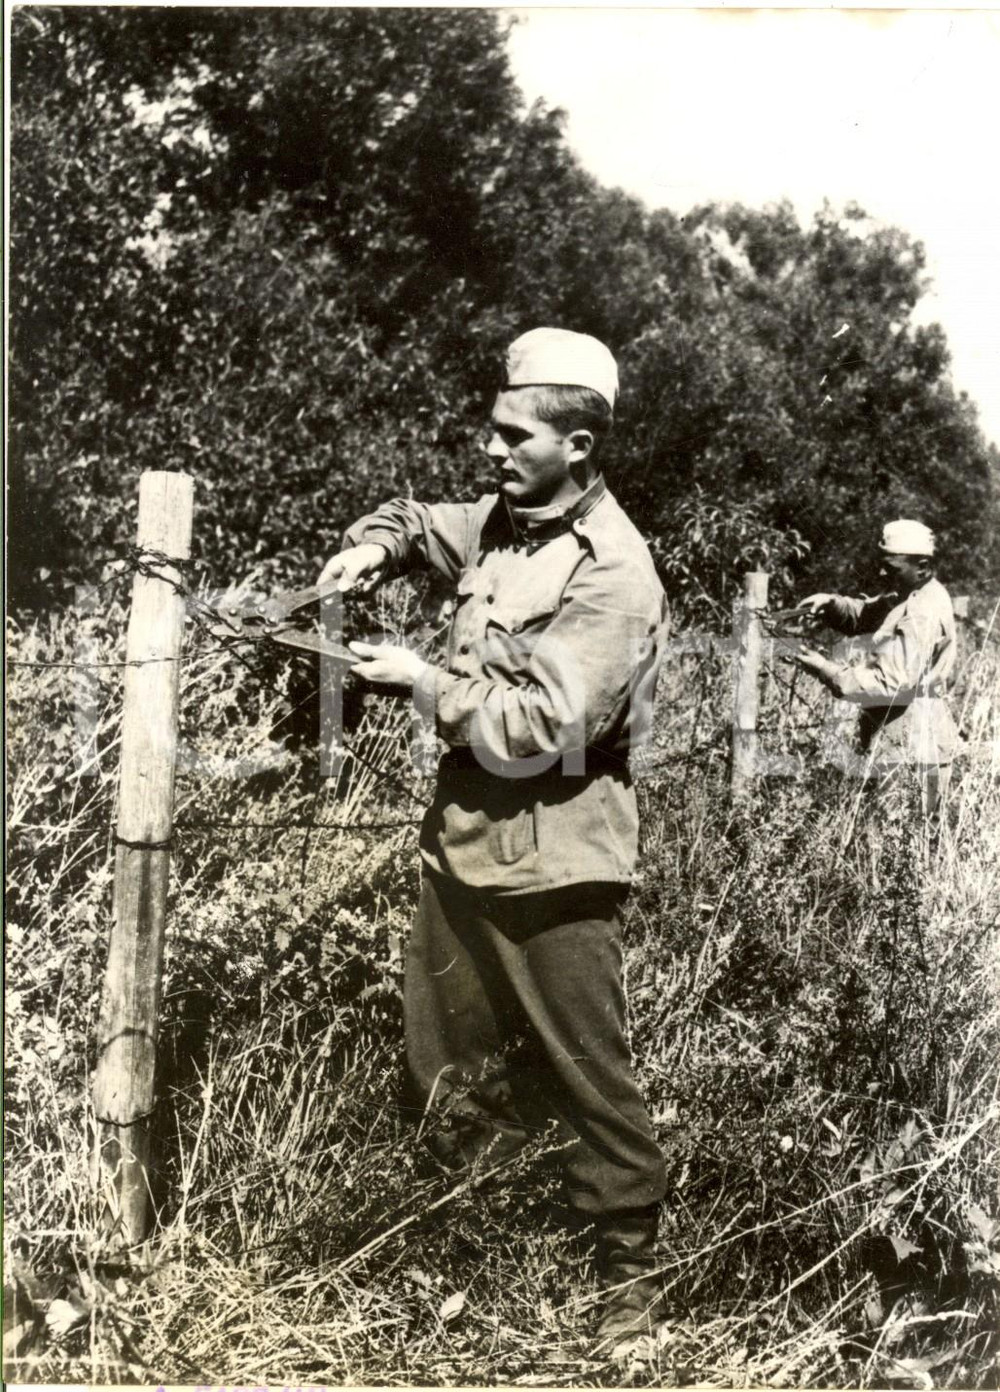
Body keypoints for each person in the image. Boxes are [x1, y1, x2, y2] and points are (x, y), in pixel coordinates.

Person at [318, 328, 669, 1352]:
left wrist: (420, 681)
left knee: (589, 1079)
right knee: (444, 1066)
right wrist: (375, 545)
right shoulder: (504, 523)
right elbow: (425, 520)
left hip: (557, 863)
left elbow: (543, 731)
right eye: (494, 429)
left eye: (516, 435)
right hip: (462, 847)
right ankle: (480, 1254)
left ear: (579, 446)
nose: (492, 448)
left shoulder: (614, 573)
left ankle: (628, 1290)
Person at [793, 519, 958, 820]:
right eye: (881, 564)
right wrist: (831, 604)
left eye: (891, 567)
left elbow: (890, 684)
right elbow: (870, 613)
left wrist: (826, 670)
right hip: (902, 742)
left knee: (899, 837)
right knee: (891, 837)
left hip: (912, 749)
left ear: (922, 566)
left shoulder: (922, 611)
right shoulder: (910, 593)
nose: (882, 573)